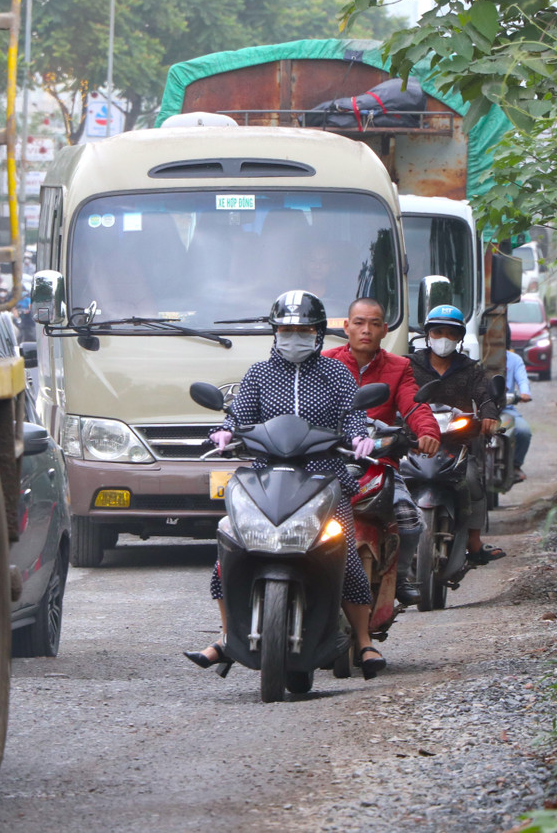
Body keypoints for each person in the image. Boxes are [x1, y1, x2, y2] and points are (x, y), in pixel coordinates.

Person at [184, 291, 389, 680]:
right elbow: (238, 416)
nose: (294, 336)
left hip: (325, 476)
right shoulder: (258, 374)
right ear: (274, 332)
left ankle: (363, 641)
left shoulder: (337, 374)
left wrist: (361, 437)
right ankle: (228, 638)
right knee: (230, 549)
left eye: (303, 329)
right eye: (286, 329)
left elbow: (353, 416)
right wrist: (224, 434)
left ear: (317, 333)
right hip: (265, 477)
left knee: (343, 552)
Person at [322, 297, 442, 606]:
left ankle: (400, 575)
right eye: (359, 323)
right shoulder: (325, 363)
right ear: (346, 326)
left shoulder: (400, 367)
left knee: (409, 518)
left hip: (379, 461)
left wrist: (427, 432)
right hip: (328, 461)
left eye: (374, 324)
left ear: (385, 330)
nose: (366, 330)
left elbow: (414, 404)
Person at [407, 305, 506, 566]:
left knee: (472, 480)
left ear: (459, 337)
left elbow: (485, 397)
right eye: (438, 331)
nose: (444, 338)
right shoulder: (409, 365)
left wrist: (489, 416)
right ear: (428, 334)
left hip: (457, 442)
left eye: (451, 333)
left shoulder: (471, 369)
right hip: (416, 441)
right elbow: (399, 395)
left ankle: (474, 543)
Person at [504, 331, 533, 482]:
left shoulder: (514, 360)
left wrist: (524, 393)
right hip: (479, 409)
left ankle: (515, 465)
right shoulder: (475, 356)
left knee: (523, 432)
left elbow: (522, 380)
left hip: (504, 409)